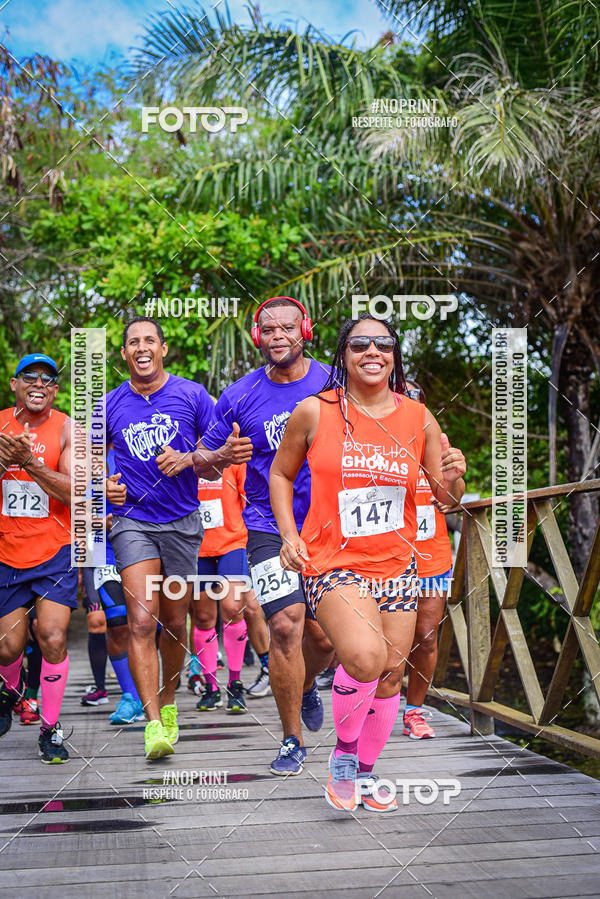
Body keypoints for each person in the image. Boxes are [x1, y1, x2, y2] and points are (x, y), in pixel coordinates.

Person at [270, 315, 466, 810]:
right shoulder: (315, 411)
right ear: (344, 354)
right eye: (360, 344)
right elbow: (280, 474)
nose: (373, 351)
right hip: (332, 562)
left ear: (394, 356)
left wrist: (455, 477)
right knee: (363, 659)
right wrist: (289, 535)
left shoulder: (418, 417)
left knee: (391, 674)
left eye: (383, 344)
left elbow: (444, 498)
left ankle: (362, 770)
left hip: (398, 565)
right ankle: (343, 756)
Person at [193, 297, 334, 775]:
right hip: (268, 525)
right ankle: (292, 740)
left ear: (304, 330)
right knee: (286, 625)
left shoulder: (334, 382)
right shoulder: (238, 394)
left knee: (325, 640)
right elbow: (201, 459)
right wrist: (221, 456)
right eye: (268, 330)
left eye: (287, 328)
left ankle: (306, 683)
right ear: (258, 337)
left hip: (329, 525)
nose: (278, 337)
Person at [103, 316, 214, 759]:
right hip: (133, 522)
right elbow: (86, 465)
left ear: (163, 348)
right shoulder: (109, 405)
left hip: (183, 523)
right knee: (141, 621)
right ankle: (152, 724)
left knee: (173, 622)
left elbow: (218, 456)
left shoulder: (192, 394)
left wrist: (188, 458)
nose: (142, 348)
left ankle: (168, 702)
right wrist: (101, 487)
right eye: (133, 342)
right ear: (124, 353)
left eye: (150, 340)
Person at [0, 353, 77, 764]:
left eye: (47, 379)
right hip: (6, 552)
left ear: (55, 390)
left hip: (54, 551)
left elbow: (74, 492)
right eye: (29, 376)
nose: (38, 383)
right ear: (14, 384)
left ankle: (49, 729)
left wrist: (28, 462)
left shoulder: (67, 428)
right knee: (8, 647)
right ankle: (9, 691)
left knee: (52, 636)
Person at [194, 462, 269, 713]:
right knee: (203, 617)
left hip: (232, 544)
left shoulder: (232, 458)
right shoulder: (184, 453)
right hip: (196, 546)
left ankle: (235, 684)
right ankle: (211, 688)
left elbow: (250, 499)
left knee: (233, 608)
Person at [403, 381, 454, 740]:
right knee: (381, 642)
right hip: (381, 558)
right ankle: (372, 706)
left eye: (414, 398)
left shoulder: (437, 441)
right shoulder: (365, 442)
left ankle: (414, 711)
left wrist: (454, 479)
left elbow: (452, 497)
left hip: (431, 558)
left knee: (426, 636)